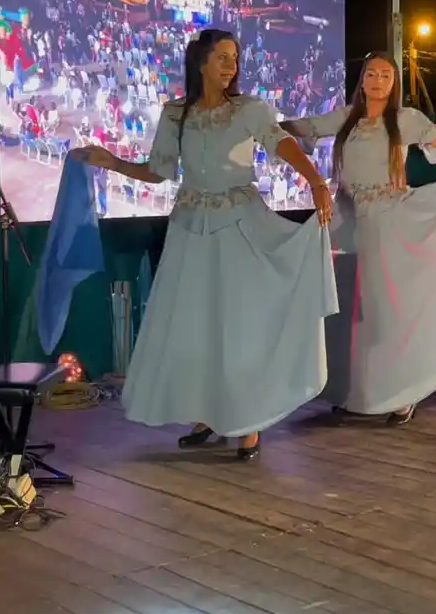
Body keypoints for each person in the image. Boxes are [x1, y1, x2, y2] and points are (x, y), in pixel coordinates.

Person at [73, 29, 337, 461]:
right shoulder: (175, 113)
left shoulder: (250, 109)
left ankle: (247, 421)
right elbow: (159, 171)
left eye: (234, 57)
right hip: (190, 229)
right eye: (222, 57)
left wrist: (316, 180)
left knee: (239, 323)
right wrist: (111, 162)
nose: (231, 65)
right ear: (200, 62)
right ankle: (206, 414)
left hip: (239, 224)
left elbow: (280, 142)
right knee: (196, 323)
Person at [282, 51, 436, 425]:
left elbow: (435, 133)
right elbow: (305, 127)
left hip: (386, 218)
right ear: (362, 80)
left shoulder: (404, 119)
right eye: (371, 73)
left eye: (386, 75)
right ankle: (351, 389)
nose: (377, 81)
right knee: (344, 309)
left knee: (383, 308)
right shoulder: (346, 118)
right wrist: (265, 127)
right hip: (345, 220)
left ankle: (399, 390)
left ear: (394, 83)